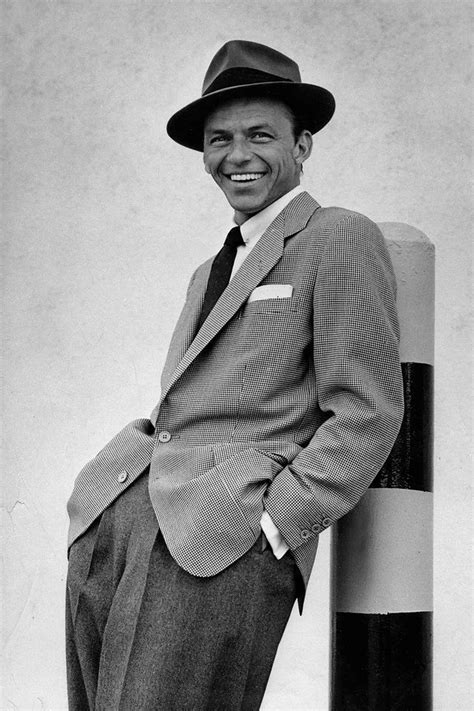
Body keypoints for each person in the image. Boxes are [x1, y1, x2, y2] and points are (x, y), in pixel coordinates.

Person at [66, 40, 404, 710]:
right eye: (219, 139)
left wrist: (276, 525)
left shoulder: (339, 236)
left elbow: (367, 409)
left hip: (220, 539)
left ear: (303, 145)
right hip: (121, 522)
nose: (237, 155)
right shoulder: (206, 272)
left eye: (260, 135)